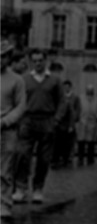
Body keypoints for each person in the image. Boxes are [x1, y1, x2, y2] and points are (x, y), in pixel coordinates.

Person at [13, 48, 65, 204]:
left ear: (46, 60)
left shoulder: (55, 80)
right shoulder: (24, 79)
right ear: (31, 62)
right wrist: (19, 120)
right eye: (34, 60)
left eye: (40, 60)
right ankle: (21, 188)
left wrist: (56, 120)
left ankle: (38, 188)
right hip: (28, 120)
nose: (37, 63)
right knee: (23, 155)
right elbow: (18, 101)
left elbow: (62, 102)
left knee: (44, 158)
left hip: (47, 120)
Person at [1, 39, 27, 218]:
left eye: (3, 57)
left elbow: (21, 106)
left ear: (9, 58)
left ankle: (4, 203)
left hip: (7, 130)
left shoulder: (17, 80)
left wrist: (5, 121)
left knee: (5, 169)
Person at [51, 80, 80, 168]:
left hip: (66, 125)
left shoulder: (74, 98)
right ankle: (56, 159)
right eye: (64, 87)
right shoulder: (58, 98)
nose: (65, 89)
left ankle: (65, 158)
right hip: (58, 125)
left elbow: (74, 112)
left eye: (67, 87)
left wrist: (72, 124)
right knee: (57, 143)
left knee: (67, 143)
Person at [75, 84, 97, 164]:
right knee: (81, 141)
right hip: (82, 122)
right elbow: (77, 108)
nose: (90, 91)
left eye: (91, 90)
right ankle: (80, 158)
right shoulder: (81, 98)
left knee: (91, 142)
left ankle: (90, 158)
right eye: (88, 89)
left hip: (92, 123)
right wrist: (78, 117)